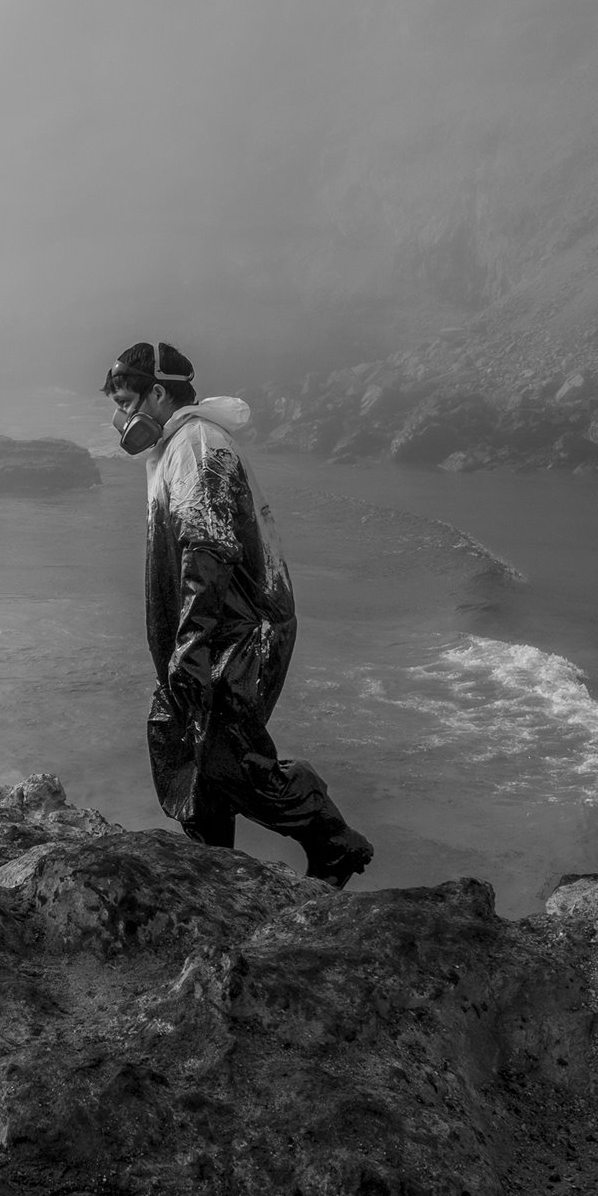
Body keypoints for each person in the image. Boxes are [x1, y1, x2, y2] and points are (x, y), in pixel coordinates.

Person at [103, 340, 374, 887]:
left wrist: (191, 646)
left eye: (127, 401)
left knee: (229, 756)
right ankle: (212, 869)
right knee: (179, 737)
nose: (120, 418)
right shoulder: (178, 444)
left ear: (159, 393)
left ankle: (332, 840)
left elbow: (208, 552)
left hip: (242, 631)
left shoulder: (199, 447)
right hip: (216, 629)